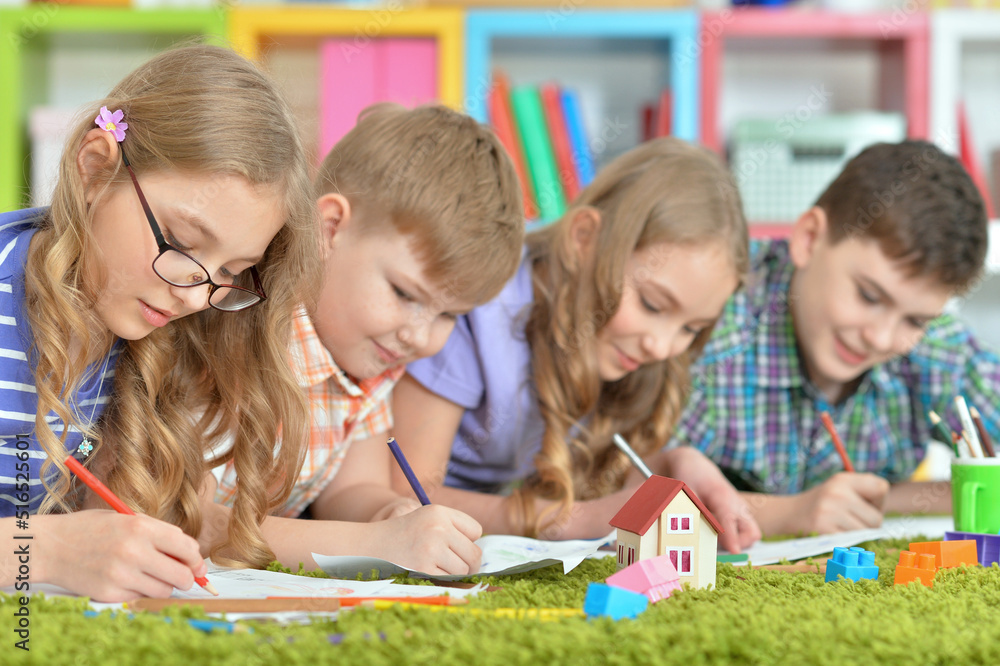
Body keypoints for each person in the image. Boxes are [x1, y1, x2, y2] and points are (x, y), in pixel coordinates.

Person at [0, 44, 322, 601]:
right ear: (95, 168)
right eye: (181, 241)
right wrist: (47, 549)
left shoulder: (141, 323)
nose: (197, 296)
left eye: (231, 271)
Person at [391, 137, 760, 554]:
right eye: (652, 304)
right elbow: (405, 494)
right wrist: (575, 519)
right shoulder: (478, 309)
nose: (661, 347)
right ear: (584, 238)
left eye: (692, 328)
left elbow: (601, 484)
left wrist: (676, 463)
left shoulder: (613, 348)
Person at [209, 103, 525, 575]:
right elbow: (191, 521)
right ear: (330, 229)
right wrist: (374, 541)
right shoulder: (232, 326)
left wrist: (388, 514)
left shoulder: (369, 360)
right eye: (405, 293)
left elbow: (351, 490)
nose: (418, 336)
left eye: (449, 315)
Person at [664, 140, 998, 537]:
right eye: (869, 296)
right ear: (809, 238)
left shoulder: (938, 349)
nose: (880, 338)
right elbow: (627, 489)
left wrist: (890, 499)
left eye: (915, 320)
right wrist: (788, 513)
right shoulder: (708, 316)